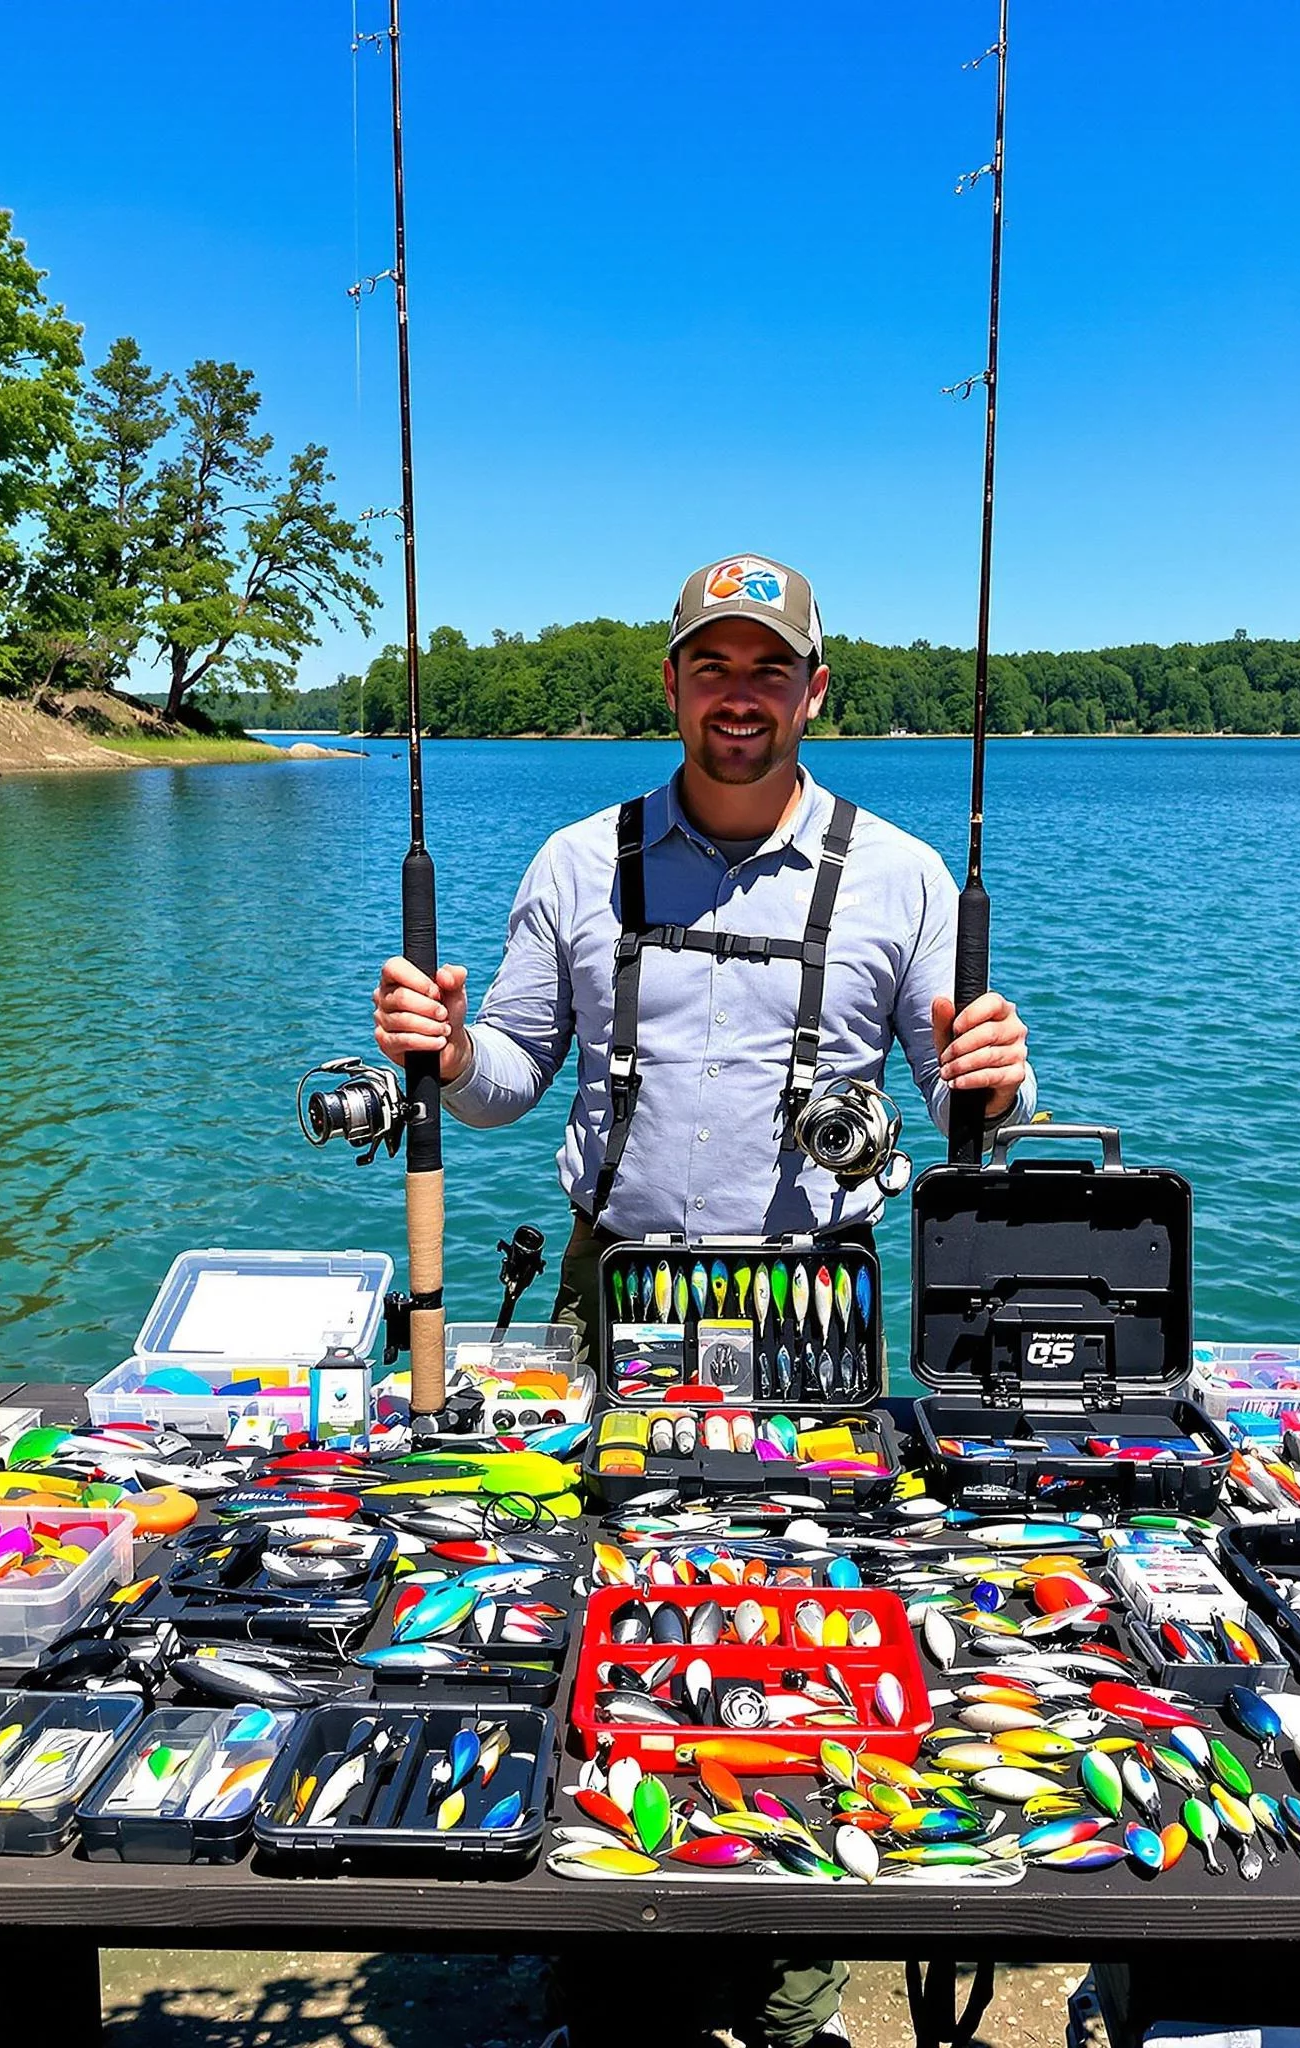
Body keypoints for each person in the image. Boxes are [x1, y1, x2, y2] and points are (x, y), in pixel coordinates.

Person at [375, 552, 1035, 2048]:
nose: (739, 696)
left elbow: (962, 1126)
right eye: (711, 667)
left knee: (804, 1631)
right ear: (671, 684)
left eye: (769, 668)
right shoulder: (571, 863)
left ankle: (790, 1981)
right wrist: (442, 1044)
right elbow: (499, 1090)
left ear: (816, 689)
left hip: (816, 1312)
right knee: (608, 1618)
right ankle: (605, 1957)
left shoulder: (907, 876)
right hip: (619, 1301)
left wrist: (1002, 1071)